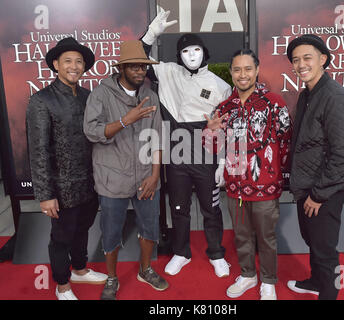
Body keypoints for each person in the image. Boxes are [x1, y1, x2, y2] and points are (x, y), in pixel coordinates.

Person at [140, 10, 232, 277]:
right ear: (178, 56)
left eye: (196, 50)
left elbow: (225, 128)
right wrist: (150, 35)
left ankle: (216, 254)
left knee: (211, 208)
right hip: (176, 155)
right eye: (185, 52)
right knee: (178, 208)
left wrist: (224, 161)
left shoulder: (220, 85)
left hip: (206, 156)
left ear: (204, 52)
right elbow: (138, 59)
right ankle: (181, 252)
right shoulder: (167, 72)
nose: (191, 56)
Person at [204, 49, 292, 300]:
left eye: (247, 69)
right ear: (231, 72)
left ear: (256, 70)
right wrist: (210, 132)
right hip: (234, 187)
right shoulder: (224, 107)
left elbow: (286, 141)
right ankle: (247, 274)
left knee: (266, 237)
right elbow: (212, 148)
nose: (242, 75)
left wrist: (274, 173)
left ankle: (268, 281)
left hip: (266, 186)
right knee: (241, 235)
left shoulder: (275, 102)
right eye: (237, 69)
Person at [83, 40, 168, 300]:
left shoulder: (150, 95)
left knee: (150, 226)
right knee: (111, 230)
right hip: (112, 177)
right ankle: (112, 277)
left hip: (145, 176)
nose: (140, 71)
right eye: (133, 67)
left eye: (143, 67)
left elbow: (157, 138)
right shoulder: (101, 94)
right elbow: (91, 131)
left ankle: (145, 270)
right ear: (121, 68)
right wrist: (124, 121)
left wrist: (155, 175)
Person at [26, 37, 107, 300]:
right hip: (61, 187)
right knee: (61, 237)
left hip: (89, 182)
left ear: (84, 66)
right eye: (68, 61)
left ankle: (80, 269)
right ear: (56, 64)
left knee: (83, 228)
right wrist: (45, 195)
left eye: (79, 61)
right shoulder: (42, 100)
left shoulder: (88, 96)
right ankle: (62, 284)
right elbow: (38, 151)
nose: (74, 66)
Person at [286, 34, 344, 300]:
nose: (300, 64)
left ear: (323, 59)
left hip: (324, 190)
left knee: (325, 249)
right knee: (313, 241)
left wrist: (318, 195)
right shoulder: (308, 94)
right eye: (296, 60)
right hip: (308, 184)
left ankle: (327, 291)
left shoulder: (336, 98)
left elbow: (343, 155)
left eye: (307, 57)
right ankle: (316, 282)